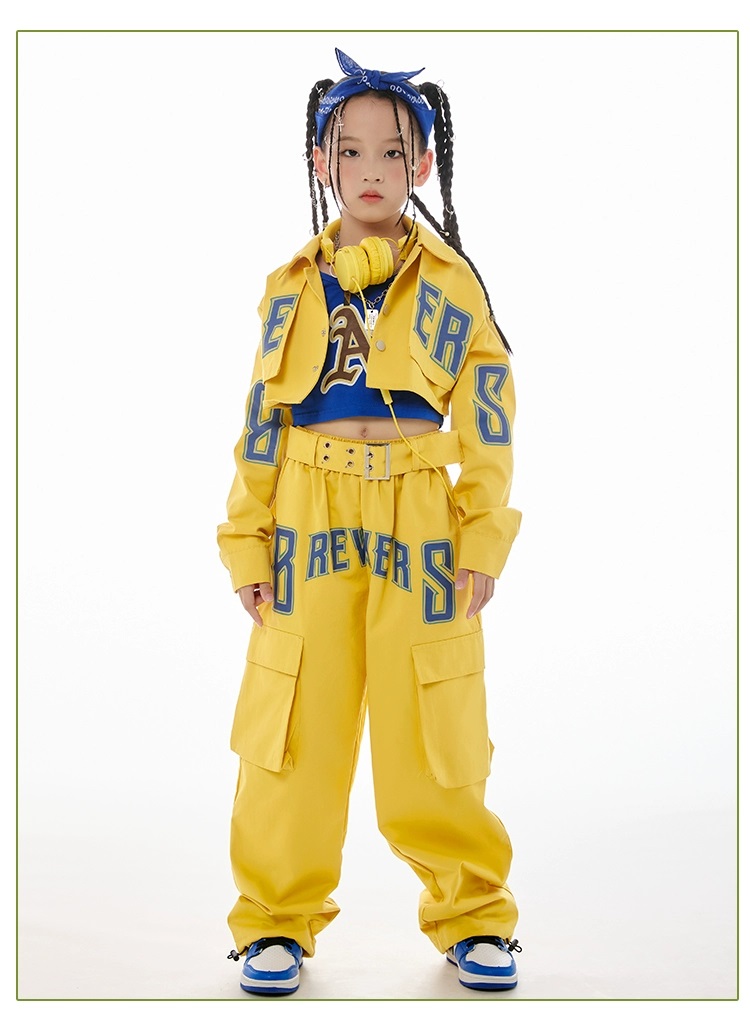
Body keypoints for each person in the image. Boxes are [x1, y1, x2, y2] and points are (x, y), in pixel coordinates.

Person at [217, 48, 523, 997]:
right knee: (296, 720)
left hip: (418, 522)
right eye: (351, 152)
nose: (373, 171)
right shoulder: (290, 286)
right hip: (308, 518)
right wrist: (246, 538)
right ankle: (275, 918)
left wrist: (481, 535)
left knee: (433, 720)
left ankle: (473, 911)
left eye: (394, 152)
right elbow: (261, 422)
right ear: (322, 161)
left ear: (423, 164)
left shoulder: (456, 286)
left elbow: (491, 425)